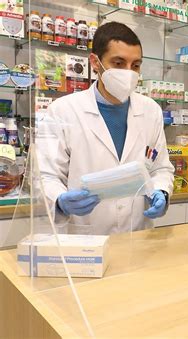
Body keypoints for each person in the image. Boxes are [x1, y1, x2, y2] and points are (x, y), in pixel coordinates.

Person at [37, 22, 174, 235]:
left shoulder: (151, 111)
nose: (128, 73)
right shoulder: (62, 110)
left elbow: (161, 168)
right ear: (95, 62)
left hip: (136, 234)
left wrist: (161, 191)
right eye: (118, 63)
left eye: (135, 65)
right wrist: (59, 200)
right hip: (84, 237)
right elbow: (45, 175)